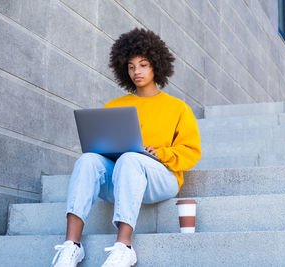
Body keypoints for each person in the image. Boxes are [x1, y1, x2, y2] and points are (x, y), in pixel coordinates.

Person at [51, 27, 202, 267]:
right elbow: (102, 146)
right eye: (131, 66)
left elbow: (191, 152)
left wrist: (160, 153)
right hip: (121, 175)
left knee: (131, 158)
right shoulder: (114, 105)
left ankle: (124, 247)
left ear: (156, 65)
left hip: (161, 178)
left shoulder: (177, 107)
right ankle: (72, 246)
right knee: (88, 160)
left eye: (143, 65)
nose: (136, 71)